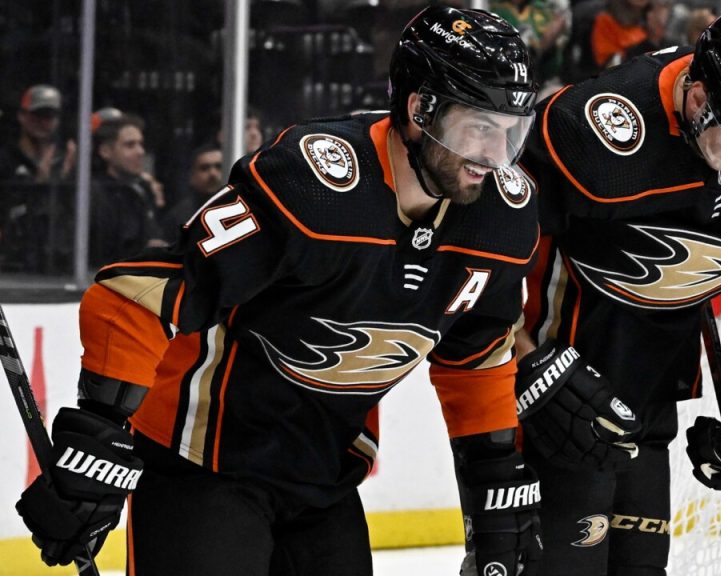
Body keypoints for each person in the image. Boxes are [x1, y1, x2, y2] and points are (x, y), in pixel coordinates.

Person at [14, 6, 542, 576]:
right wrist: (99, 432)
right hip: (204, 468)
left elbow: (475, 355)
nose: (496, 156)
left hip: (325, 480)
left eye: (510, 130)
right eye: (481, 128)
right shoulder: (315, 187)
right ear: (420, 110)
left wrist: (493, 475)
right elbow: (135, 296)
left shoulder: (501, 220)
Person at [509, 10, 721, 575]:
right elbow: (484, 252)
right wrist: (521, 362)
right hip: (547, 402)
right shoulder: (592, 130)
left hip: (649, 405)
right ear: (699, 96)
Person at [90, 113, 168, 267]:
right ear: (106, 151)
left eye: (141, 144)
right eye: (130, 145)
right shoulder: (95, 194)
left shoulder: (143, 189)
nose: (140, 152)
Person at [0, 84, 76, 185]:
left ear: (57, 121)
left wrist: (67, 178)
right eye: (37, 115)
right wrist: (40, 184)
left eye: (49, 116)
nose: (43, 122)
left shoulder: (65, 161)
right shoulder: (5, 160)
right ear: (21, 116)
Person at [160, 143, 222, 239]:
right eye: (205, 168)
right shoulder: (178, 218)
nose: (213, 173)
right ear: (192, 176)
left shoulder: (244, 206)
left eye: (219, 167)